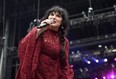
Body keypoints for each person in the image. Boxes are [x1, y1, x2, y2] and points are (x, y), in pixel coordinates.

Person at [15, 5, 74, 79]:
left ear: (62, 23)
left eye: (58, 16)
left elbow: (64, 64)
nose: (53, 17)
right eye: (51, 14)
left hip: (53, 76)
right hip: (35, 75)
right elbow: (23, 46)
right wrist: (40, 29)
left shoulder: (64, 41)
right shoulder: (38, 31)